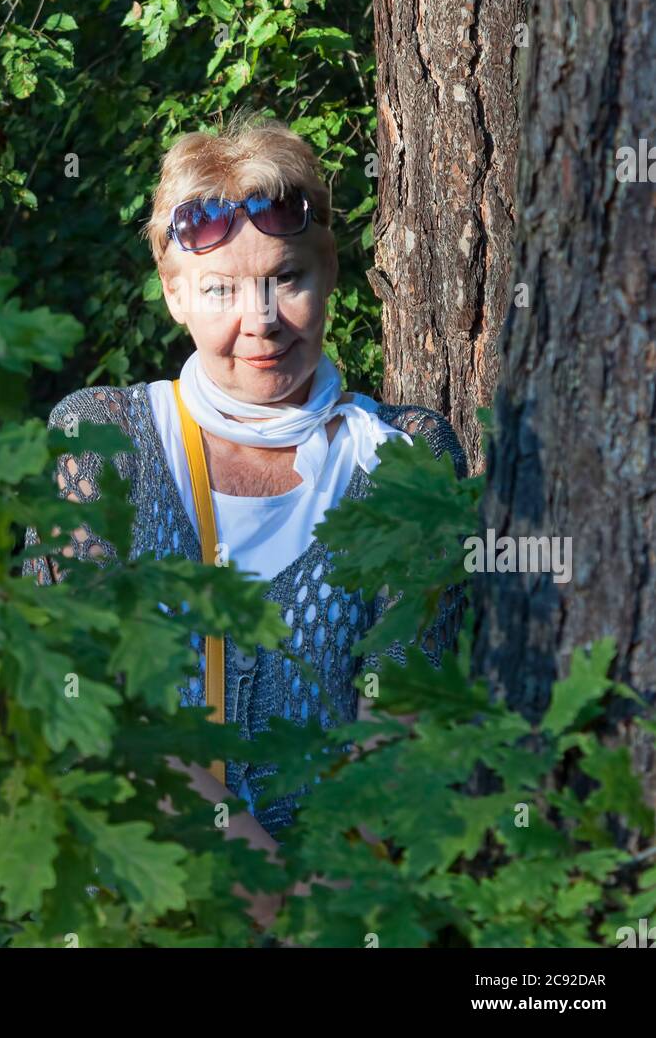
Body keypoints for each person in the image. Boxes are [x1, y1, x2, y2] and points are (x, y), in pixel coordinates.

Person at [23, 117, 466, 867]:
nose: (259, 322)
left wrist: (329, 896)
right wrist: (267, 899)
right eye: (221, 288)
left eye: (286, 279)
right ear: (174, 294)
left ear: (327, 274)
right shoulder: (103, 440)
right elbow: (85, 706)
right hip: (148, 894)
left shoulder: (405, 456)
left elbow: (402, 713)